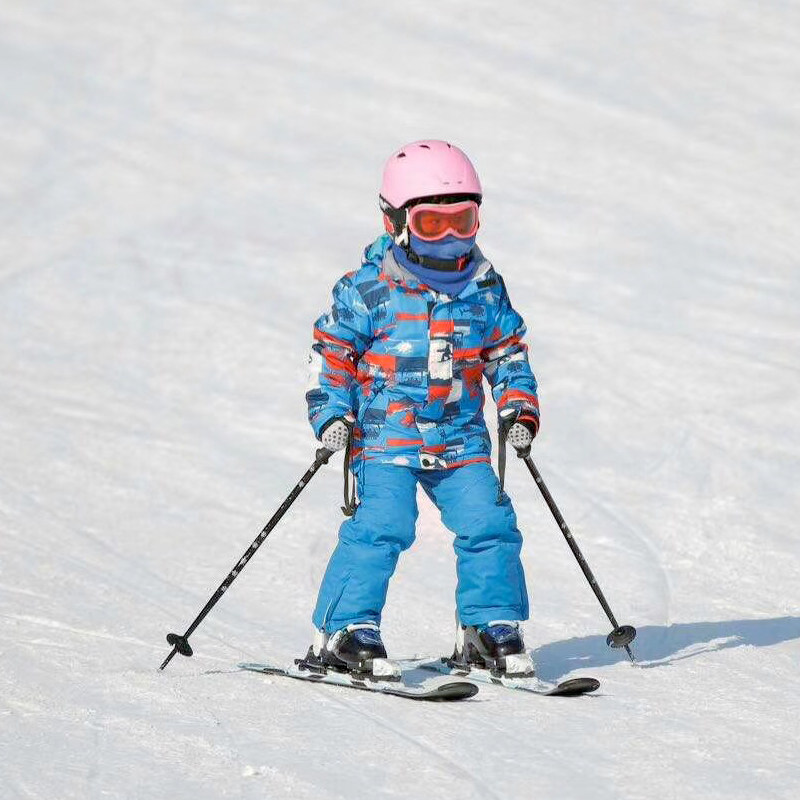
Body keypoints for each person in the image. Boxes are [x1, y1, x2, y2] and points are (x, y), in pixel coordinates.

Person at [305, 140, 540, 677]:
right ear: (396, 223)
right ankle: (345, 630)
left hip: (460, 436)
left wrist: (518, 407)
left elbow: (506, 352)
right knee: (383, 525)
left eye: (464, 221)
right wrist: (332, 415)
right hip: (386, 435)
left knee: (490, 523)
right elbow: (331, 354)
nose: (452, 237)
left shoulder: (484, 288)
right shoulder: (368, 289)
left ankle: (489, 624)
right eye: (433, 224)